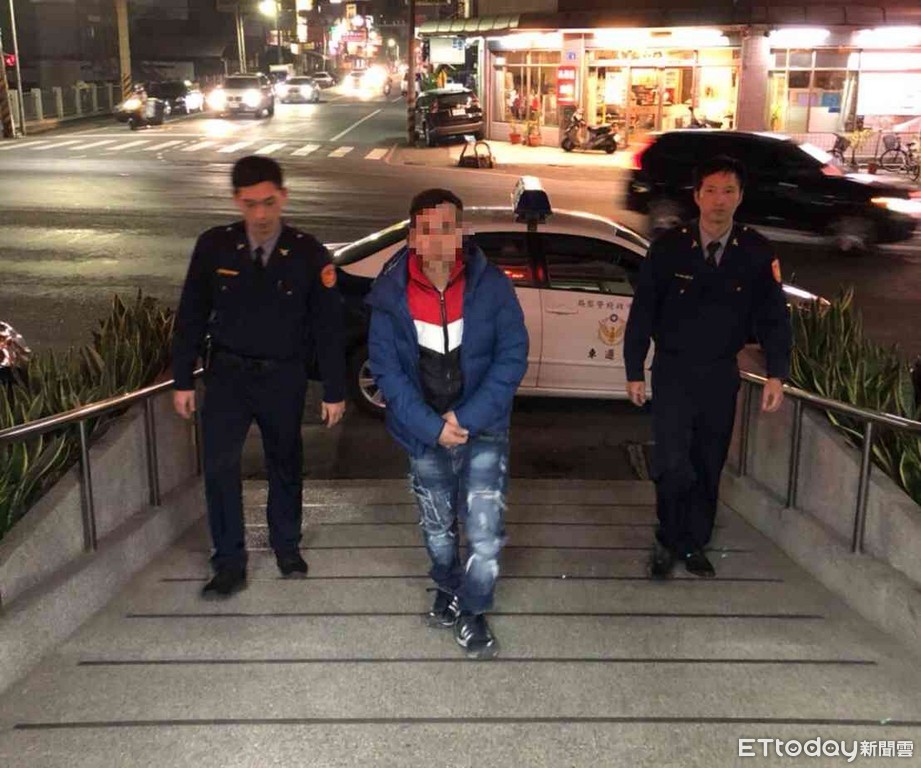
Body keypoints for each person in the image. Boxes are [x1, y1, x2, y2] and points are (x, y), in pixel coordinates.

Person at [171, 155, 346, 599]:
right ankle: (229, 561)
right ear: (237, 201)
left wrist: (334, 388)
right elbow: (191, 314)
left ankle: (287, 546)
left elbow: (327, 326)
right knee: (220, 468)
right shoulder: (215, 246)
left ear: (283, 197)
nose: (261, 214)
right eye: (251, 204)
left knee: (285, 462)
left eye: (269, 202)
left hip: (282, 376)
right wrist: (183, 379)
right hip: (227, 376)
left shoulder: (308, 252)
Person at [366, 189, 528, 660]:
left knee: (484, 527)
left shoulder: (492, 286)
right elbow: (387, 373)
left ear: (462, 233)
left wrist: (466, 418)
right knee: (438, 527)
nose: (438, 239)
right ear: (412, 236)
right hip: (423, 433)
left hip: (484, 427)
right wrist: (431, 427)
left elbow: (512, 357)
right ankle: (448, 585)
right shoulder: (390, 294)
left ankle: (473, 610)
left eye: (447, 228)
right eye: (427, 229)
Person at [623, 155, 792, 579]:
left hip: (720, 374)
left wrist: (777, 372)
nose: (720, 200)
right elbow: (643, 311)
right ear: (697, 196)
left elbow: (774, 316)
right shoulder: (669, 247)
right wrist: (633, 369)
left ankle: (694, 543)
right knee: (672, 462)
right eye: (711, 191)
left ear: (740, 197)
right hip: (673, 372)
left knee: (707, 462)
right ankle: (667, 539)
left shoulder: (755, 250)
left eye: (728, 191)